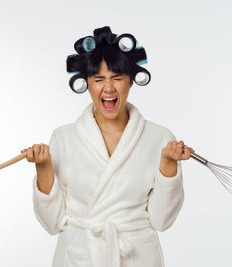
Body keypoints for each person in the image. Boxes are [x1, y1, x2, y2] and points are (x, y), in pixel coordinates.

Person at [21, 26, 194, 267]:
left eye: (117, 78)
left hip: (137, 257)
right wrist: (43, 168)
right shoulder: (64, 138)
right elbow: (52, 224)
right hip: (79, 256)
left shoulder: (160, 138)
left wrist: (168, 165)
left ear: (131, 82)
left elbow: (162, 221)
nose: (108, 88)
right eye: (99, 79)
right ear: (87, 84)